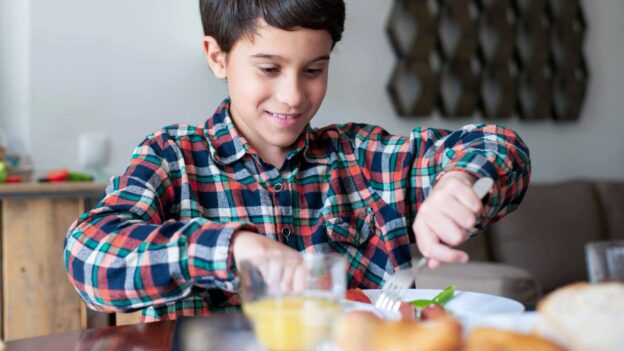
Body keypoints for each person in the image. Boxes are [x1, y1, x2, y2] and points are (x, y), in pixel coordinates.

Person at [64, 0, 531, 322]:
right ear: (217, 57)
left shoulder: (365, 159)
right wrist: (231, 250)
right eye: (268, 69)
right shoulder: (173, 159)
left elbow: (500, 146)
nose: (292, 96)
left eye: (314, 70)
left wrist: (459, 180)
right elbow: (88, 256)